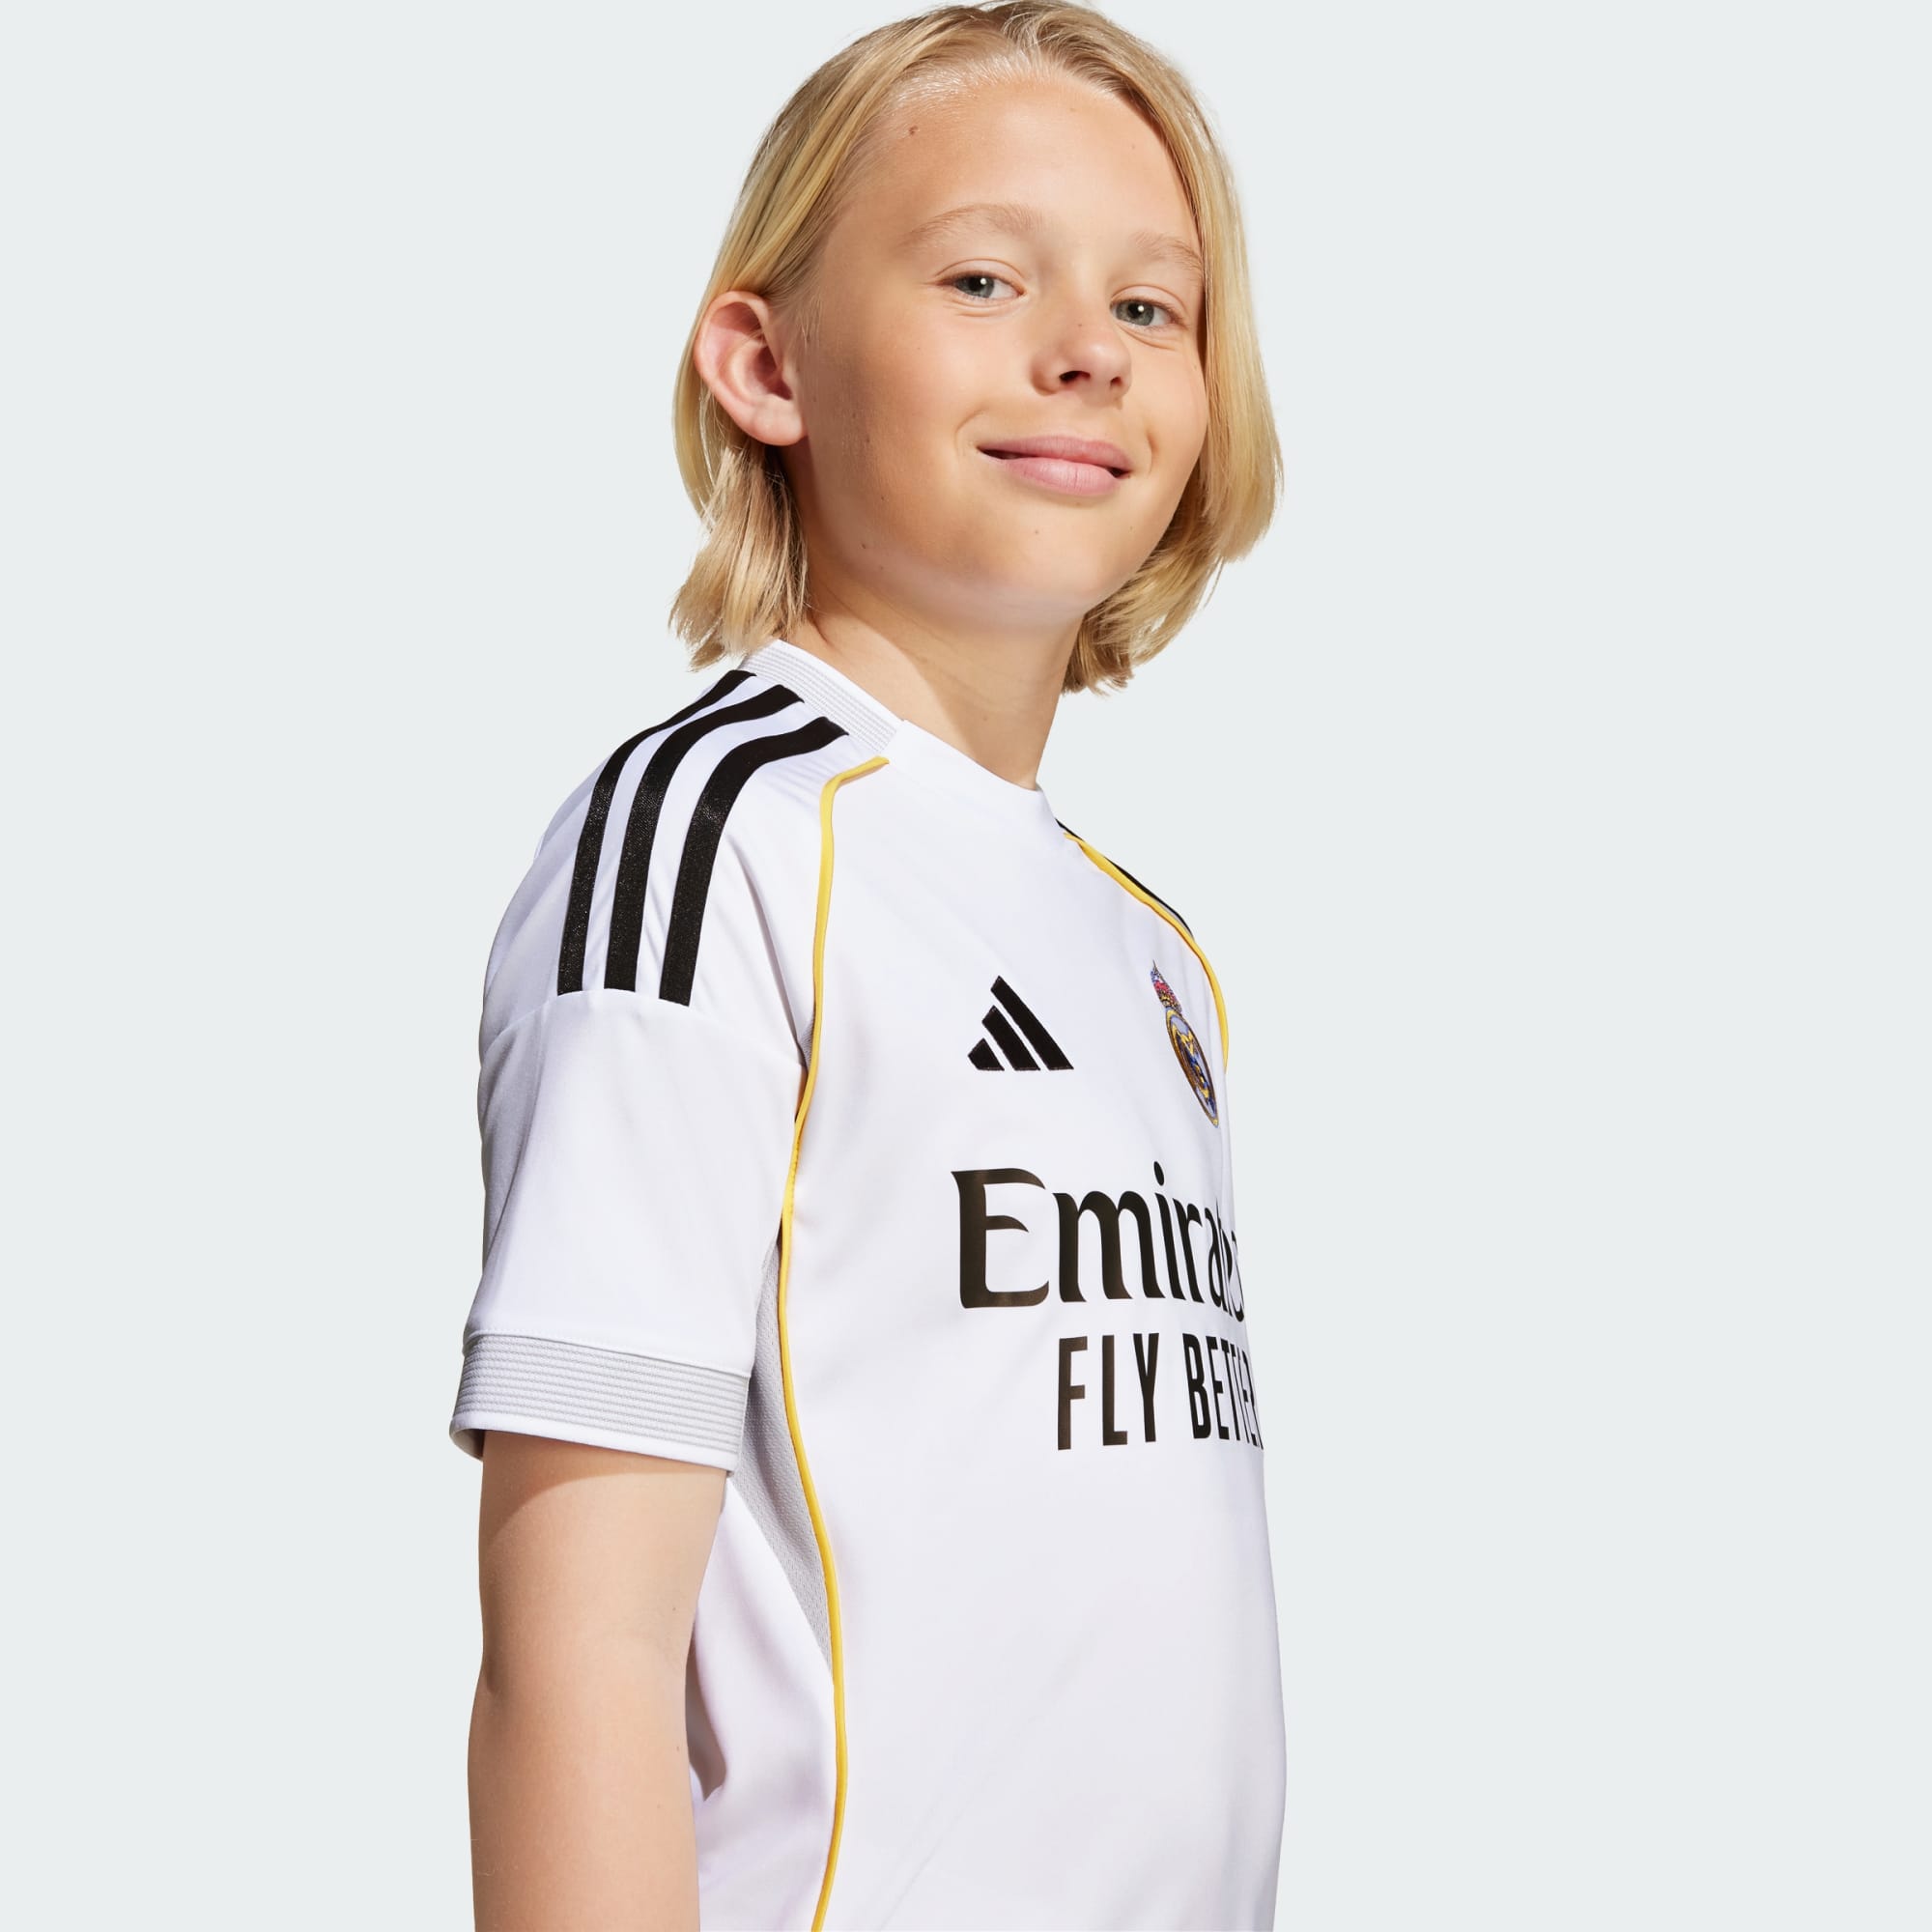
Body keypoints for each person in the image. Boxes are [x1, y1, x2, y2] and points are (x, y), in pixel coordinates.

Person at [445, 4, 1287, 1925]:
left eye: (1151, 306)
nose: (1085, 347)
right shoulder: (711, 839)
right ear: (767, 364)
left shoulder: (1149, 952)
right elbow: (576, 1654)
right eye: (984, 278)